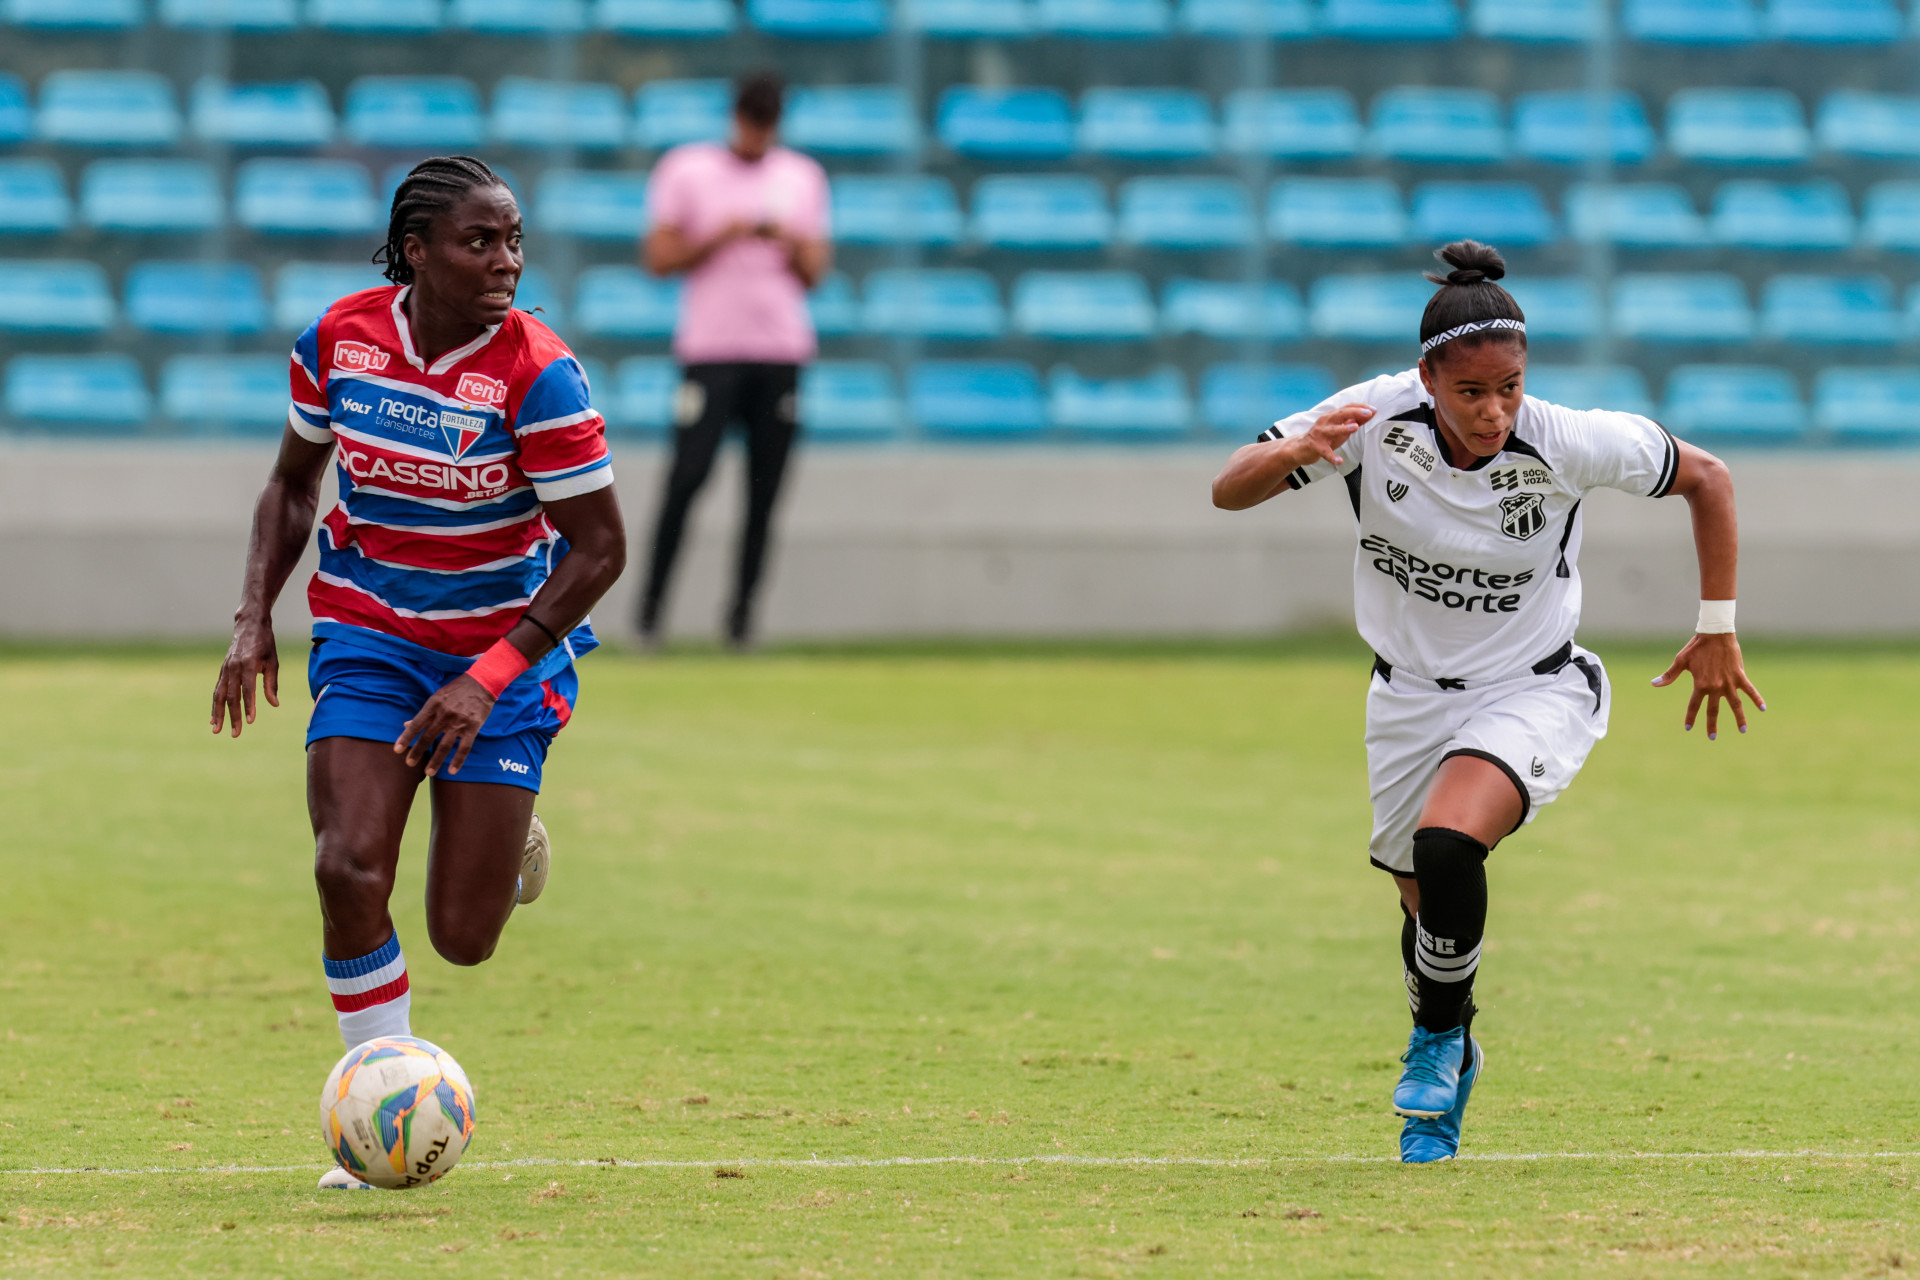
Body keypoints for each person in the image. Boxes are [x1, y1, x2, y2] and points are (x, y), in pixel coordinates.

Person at [1210, 241, 1763, 1164]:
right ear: (1428, 378)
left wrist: (1717, 623)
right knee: (1422, 901)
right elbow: (1229, 492)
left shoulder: (1565, 438)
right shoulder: (1370, 419)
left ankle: (1433, 1039)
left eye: (1508, 386)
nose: (1495, 410)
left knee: (1448, 842)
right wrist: (1298, 452)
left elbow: (1708, 476)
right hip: (1406, 698)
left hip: (1535, 686)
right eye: (1472, 393)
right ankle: (1453, 1044)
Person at [209, 156, 626, 1188]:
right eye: (480, 241)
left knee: (463, 937)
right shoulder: (341, 339)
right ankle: (380, 1100)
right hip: (369, 634)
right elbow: (292, 483)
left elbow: (601, 547)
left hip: (503, 651)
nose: (506, 261)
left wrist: (487, 676)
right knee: (347, 866)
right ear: (416, 251)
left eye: (515, 239)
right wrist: (253, 612)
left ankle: (506, 821)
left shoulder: (541, 372)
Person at [637, 68, 831, 649]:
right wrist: (720, 236)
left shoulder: (802, 177)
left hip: (780, 352)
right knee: (686, 480)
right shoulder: (687, 168)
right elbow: (658, 257)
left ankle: (741, 621)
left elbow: (816, 271)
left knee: (764, 492)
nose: (757, 138)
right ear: (735, 118)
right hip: (711, 351)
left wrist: (788, 240)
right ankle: (651, 614)